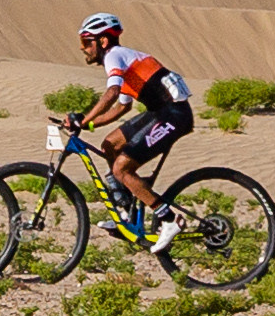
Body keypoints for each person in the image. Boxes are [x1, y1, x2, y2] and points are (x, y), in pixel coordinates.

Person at [69, 13, 197, 254]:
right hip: (160, 112)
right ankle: (126, 211)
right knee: (110, 145)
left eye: (86, 41)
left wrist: (84, 119)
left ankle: (169, 220)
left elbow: (112, 94)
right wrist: (89, 125)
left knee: (121, 169)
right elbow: (121, 108)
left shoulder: (114, 55)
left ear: (103, 41)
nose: (82, 48)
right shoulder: (125, 59)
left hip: (173, 115)